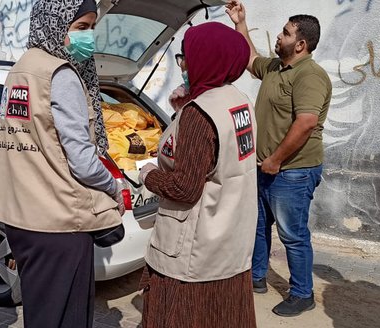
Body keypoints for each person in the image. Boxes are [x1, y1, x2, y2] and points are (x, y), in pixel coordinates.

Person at [0, 1, 125, 327]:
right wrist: (112, 186)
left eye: (91, 27)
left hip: (22, 217)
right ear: (55, 21)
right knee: (68, 317)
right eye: (80, 28)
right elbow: (82, 161)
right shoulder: (59, 74)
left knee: (42, 313)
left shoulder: (21, 67)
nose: (88, 36)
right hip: (59, 221)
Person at [138, 22, 257, 328]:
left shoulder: (200, 114)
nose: (184, 65)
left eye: (187, 57)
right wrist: (183, 109)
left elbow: (184, 188)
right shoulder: (238, 100)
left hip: (193, 251)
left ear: (208, 57)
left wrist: (148, 174)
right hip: (230, 241)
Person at [226, 1, 332, 317]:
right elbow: (249, 59)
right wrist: (240, 23)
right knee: (258, 225)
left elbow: (306, 122)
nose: (279, 36)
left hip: (292, 171)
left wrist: (275, 159)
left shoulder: (309, 75)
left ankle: (302, 293)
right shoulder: (275, 67)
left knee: (292, 235)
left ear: (300, 44)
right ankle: (256, 277)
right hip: (265, 166)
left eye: (285, 33)